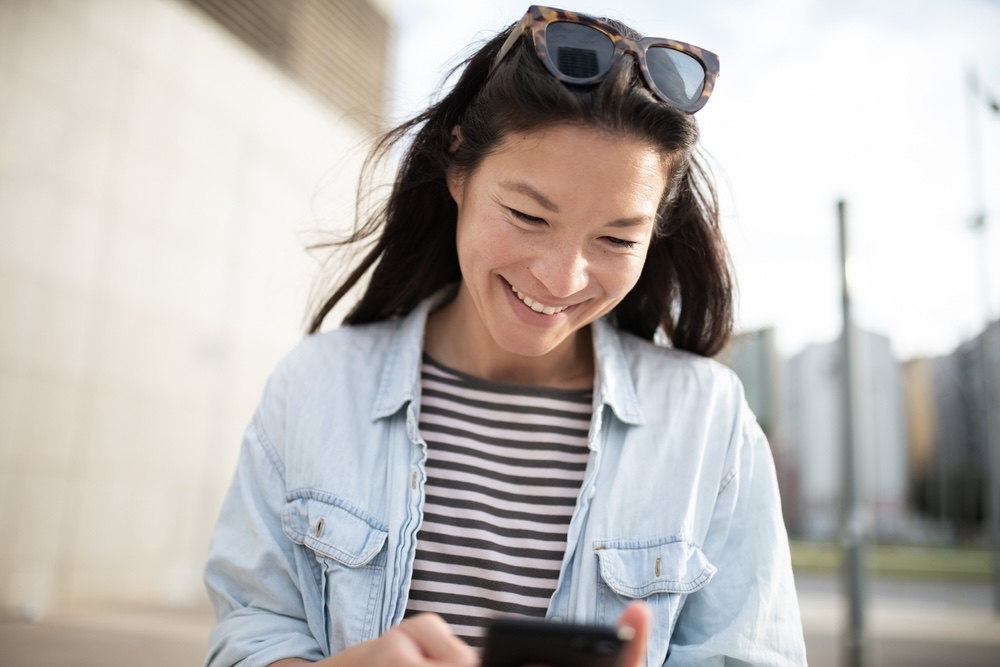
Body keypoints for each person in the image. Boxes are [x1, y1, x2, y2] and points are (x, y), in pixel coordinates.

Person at [203, 5, 807, 666]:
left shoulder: (709, 421)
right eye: (527, 215)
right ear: (458, 167)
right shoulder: (315, 385)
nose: (561, 277)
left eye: (616, 239)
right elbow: (251, 633)